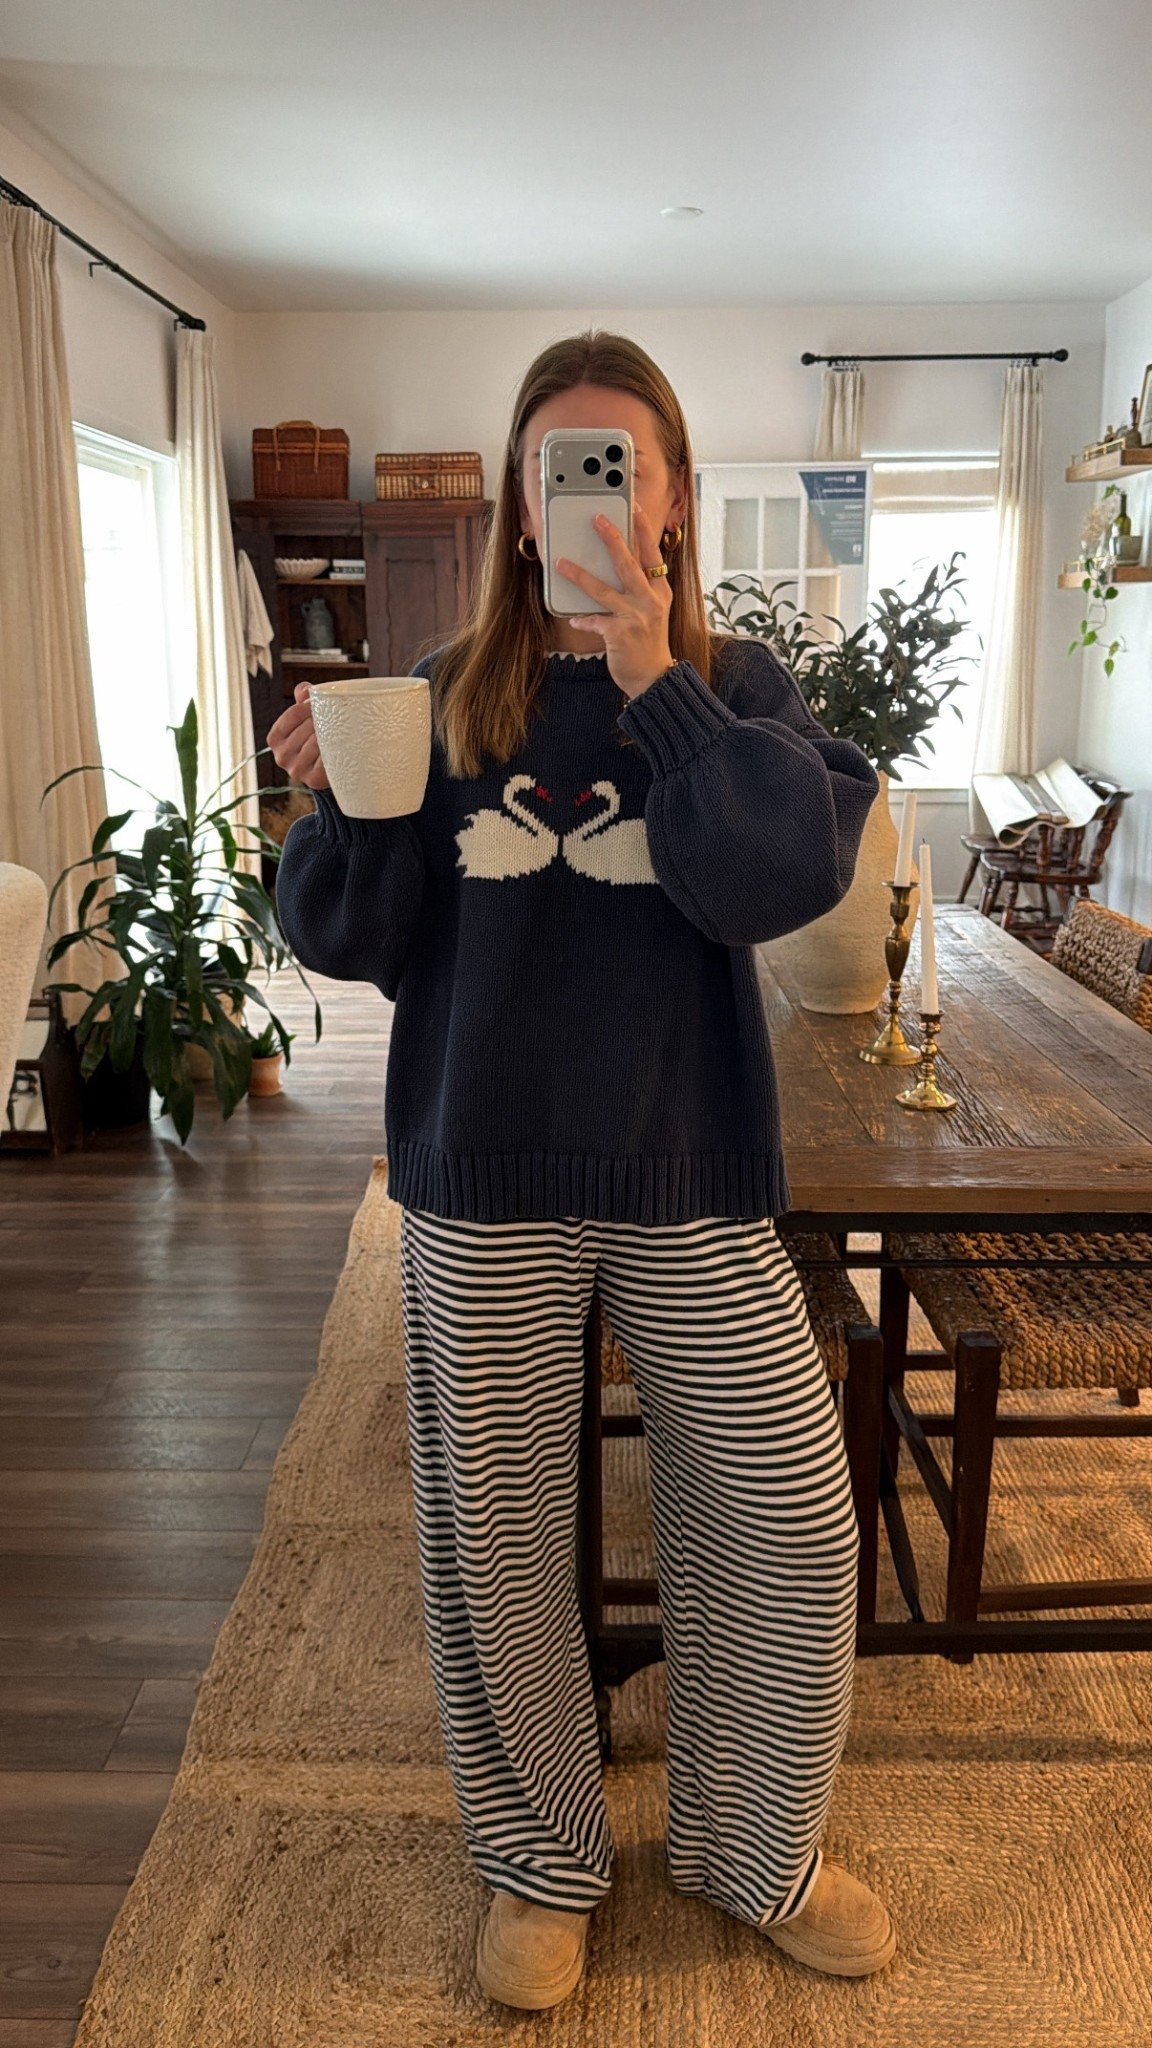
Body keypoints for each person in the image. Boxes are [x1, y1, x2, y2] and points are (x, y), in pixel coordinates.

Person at [269, 329, 894, 2012]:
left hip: (692, 1171)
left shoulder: (743, 697)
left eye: (622, 464)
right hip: (483, 1169)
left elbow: (767, 877)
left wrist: (652, 682)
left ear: (677, 500)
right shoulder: (445, 686)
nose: (592, 497)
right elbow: (354, 939)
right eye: (561, 470)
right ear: (522, 510)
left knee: (787, 1515)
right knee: (497, 1537)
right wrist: (334, 816)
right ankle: (542, 1859)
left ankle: (752, 1847)